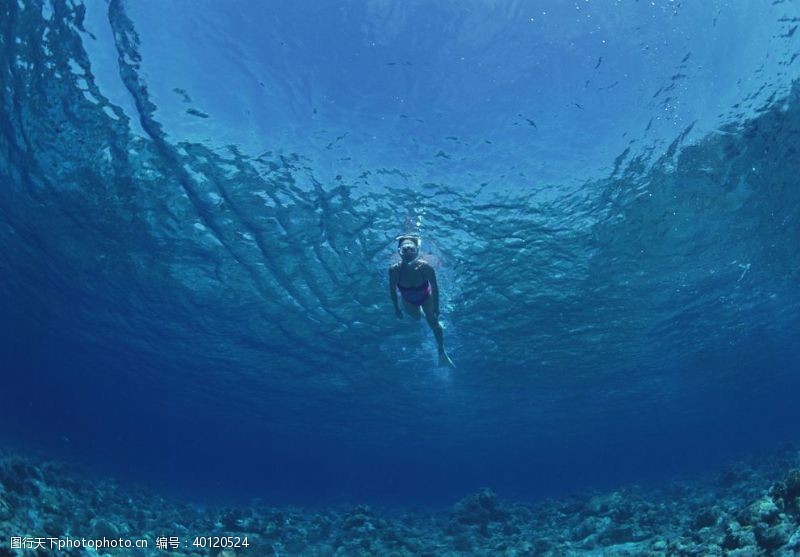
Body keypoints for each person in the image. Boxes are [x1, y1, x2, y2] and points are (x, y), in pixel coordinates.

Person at [389, 235, 455, 367]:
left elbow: (435, 288)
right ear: (399, 252)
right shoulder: (394, 270)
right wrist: (396, 308)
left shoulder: (426, 268)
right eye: (404, 250)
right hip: (408, 301)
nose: (408, 253)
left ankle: (441, 352)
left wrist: (436, 307)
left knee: (434, 324)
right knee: (418, 318)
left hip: (426, 298)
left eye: (411, 250)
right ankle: (425, 315)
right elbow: (392, 290)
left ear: (417, 251)